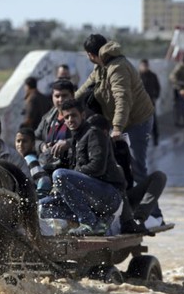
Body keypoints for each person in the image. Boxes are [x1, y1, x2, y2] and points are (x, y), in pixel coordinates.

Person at [75, 34, 155, 186]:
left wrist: (117, 127)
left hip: (138, 121)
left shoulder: (117, 67)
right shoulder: (101, 67)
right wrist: (67, 105)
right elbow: (85, 88)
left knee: (137, 168)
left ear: (91, 55)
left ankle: (152, 209)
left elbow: (122, 99)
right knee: (120, 166)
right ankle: (129, 205)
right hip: (122, 121)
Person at [40, 99, 127, 237]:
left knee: (60, 175)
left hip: (109, 195)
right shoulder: (75, 139)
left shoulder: (94, 134)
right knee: (43, 206)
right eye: (67, 117)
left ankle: (89, 222)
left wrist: (68, 176)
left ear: (83, 115)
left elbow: (97, 167)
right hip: (90, 196)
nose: (70, 120)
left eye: (74, 115)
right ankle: (96, 220)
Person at [34, 79, 75, 168]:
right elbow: (35, 138)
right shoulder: (47, 118)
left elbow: (90, 138)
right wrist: (42, 146)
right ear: (52, 97)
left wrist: (68, 143)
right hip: (49, 164)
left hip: (72, 167)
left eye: (64, 95)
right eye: (57, 96)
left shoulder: (81, 116)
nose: (60, 99)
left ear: (72, 96)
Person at [15, 127, 51, 199]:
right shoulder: (20, 160)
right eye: (18, 141)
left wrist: (38, 198)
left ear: (33, 144)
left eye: (24, 141)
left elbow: (44, 180)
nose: (20, 145)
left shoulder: (30, 160)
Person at [138, 59, 161, 146]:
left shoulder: (152, 76)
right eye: (142, 66)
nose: (144, 68)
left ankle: (156, 139)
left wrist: (156, 97)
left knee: (153, 121)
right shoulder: (137, 76)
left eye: (145, 66)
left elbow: (158, 88)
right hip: (139, 103)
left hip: (150, 102)